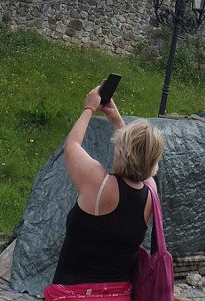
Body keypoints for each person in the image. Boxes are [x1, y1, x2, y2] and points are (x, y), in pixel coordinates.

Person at [46, 84, 164, 301]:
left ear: (121, 149)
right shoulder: (151, 192)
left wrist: (89, 109)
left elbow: (72, 145)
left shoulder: (99, 184)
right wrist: (118, 121)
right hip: (119, 296)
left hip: (75, 295)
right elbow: (141, 159)